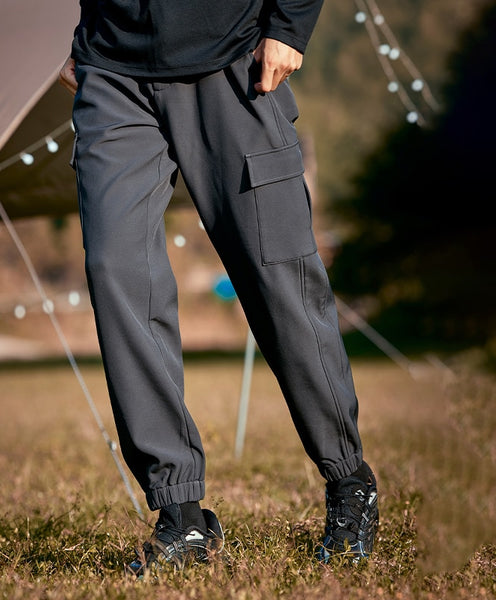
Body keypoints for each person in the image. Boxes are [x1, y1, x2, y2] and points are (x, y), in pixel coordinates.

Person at [60, 0, 378, 573]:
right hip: (112, 74)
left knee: (277, 279)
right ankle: (180, 513)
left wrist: (288, 25)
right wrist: (88, 30)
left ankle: (349, 480)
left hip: (236, 63)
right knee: (116, 270)